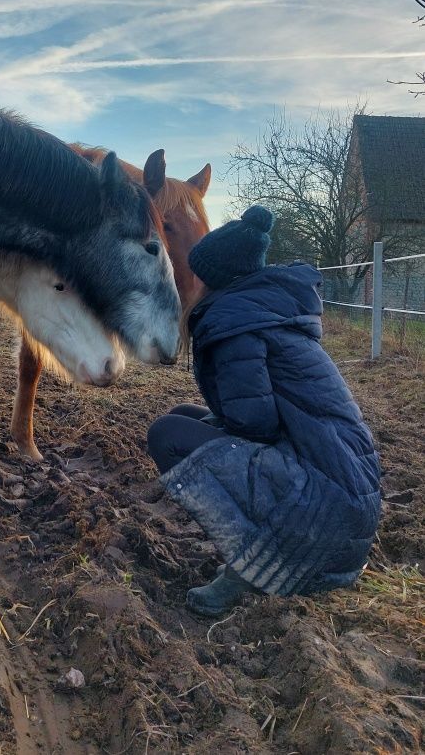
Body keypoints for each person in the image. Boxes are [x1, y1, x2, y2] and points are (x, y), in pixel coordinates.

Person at [146, 206, 381, 616]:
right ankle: (264, 553)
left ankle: (251, 567)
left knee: (167, 436)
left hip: (322, 515)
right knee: (184, 417)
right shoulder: (260, 311)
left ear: (206, 277)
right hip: (344, 501)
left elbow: (254, 423)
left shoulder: (235, 326)